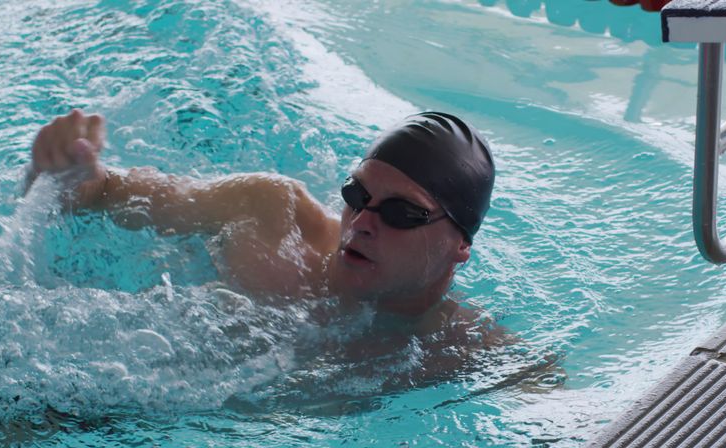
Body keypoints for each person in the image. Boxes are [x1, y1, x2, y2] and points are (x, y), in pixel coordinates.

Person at [29, 109, 495, 327]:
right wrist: (72, 177)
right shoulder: (270, 214)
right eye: (356, 194)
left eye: (401, 212)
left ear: (460, 245)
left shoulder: (459, 349)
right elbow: (115, 194)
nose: (360, 223)